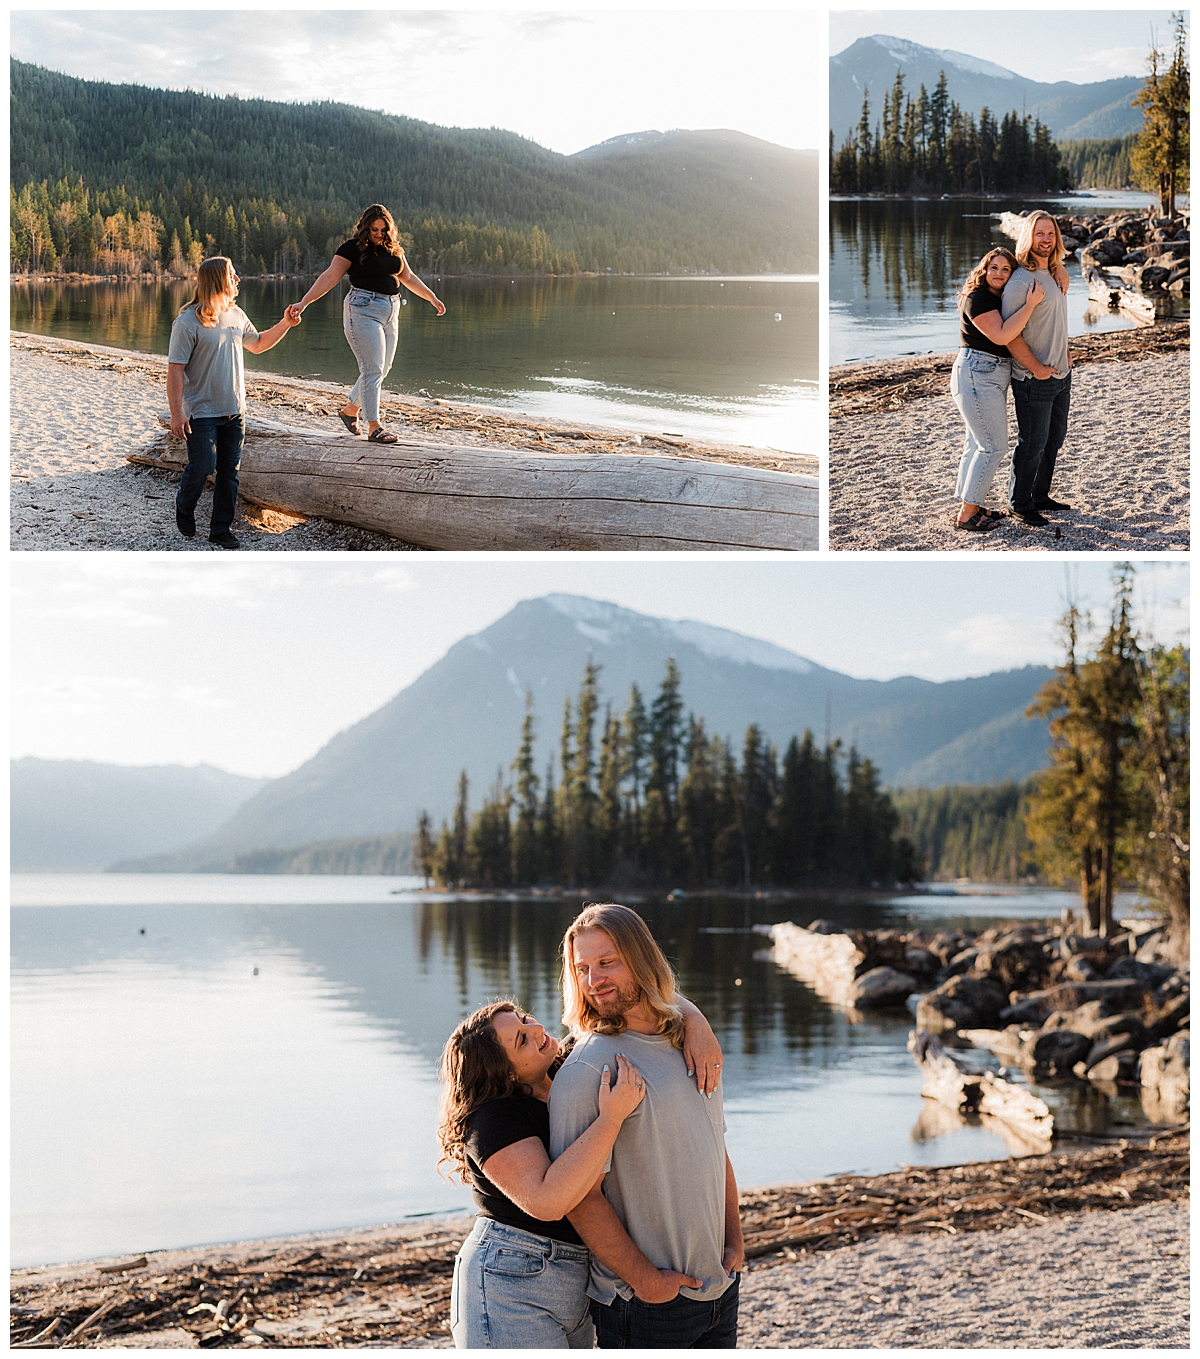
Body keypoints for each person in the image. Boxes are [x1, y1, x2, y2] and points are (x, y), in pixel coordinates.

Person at [440, 994, 722, 1349]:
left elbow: (642, 990)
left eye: (525, 1019)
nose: (538, 1028)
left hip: (578, 1277)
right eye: (522, 1039)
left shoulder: (569, 1067)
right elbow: (547, 1202)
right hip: (510, 1279)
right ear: (506, 1072)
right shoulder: (493, 1120)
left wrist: (697, 1022)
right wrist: (611, 1118)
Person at [549, 904, 743, 1349]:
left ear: (641, 958)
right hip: (646, 1302)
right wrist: (647, 1282)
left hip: (719, 1286)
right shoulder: (588, 1069)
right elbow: (581, 1197)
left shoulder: (692, 1047)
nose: (594, 980)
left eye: (607, 962)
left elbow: (716, 1150)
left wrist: (734, 1242)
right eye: (582, 968)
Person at [168, 256, 301, 548]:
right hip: (201, 411)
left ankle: (220, 529)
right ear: (218, 279)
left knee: (230, 473)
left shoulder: (237, 315)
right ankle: (184, 504)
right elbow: (175, 369)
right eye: (232, 275)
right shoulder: (187, 322)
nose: (238, 279)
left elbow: (259, 343)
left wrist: (286, 323)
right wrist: (177, 413)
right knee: (202, 466)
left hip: (235, 411)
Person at [286, 204, 445, 444]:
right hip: (362, 310)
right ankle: (374, 426)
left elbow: (408, 277)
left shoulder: (394, 250)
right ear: (365, 227)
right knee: (372, 369)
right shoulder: (351, 249)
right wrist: (304, 302)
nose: (379, 234)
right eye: (374, 229)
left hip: (392, 311)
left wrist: (432, 297)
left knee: (383, 368)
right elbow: (330, 277)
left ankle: (350, 410)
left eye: (383, 230)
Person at [950, 248, 1048, 532]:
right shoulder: (977, 298)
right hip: (977, 373)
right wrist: (1030, 304)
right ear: (984, 269)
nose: (999, 274)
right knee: (993, 447)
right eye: (994, 267)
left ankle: (971, 504)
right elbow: (1003, 335)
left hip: (988, 374)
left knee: (975, 444)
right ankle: (968, 514)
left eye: (1006, 270)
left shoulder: (996, 298)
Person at [1000, 211, 1072, 527]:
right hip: (1034, 377)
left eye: (1051, 234)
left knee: (1053, 439)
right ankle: (1020, 502)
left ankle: (1040, 495)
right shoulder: (1019, 281)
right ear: (1028, 238)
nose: (1046, 239)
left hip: (1062, 374)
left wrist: (1065, 359)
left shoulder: (1054, 273)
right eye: (1039, 233)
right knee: (1032, 442)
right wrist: (1037, 368)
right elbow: (1010, 335)